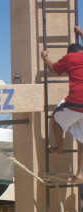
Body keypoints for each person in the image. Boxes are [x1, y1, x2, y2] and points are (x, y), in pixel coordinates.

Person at [42, 25, 83, 183]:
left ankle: (59, 148)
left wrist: (44, 56)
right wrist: (80, 32)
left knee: (56, 118)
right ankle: (80, 174)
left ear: (70, 52)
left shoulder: (70, 58)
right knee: (81, 139)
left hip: (76, 103)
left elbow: (52, 69)